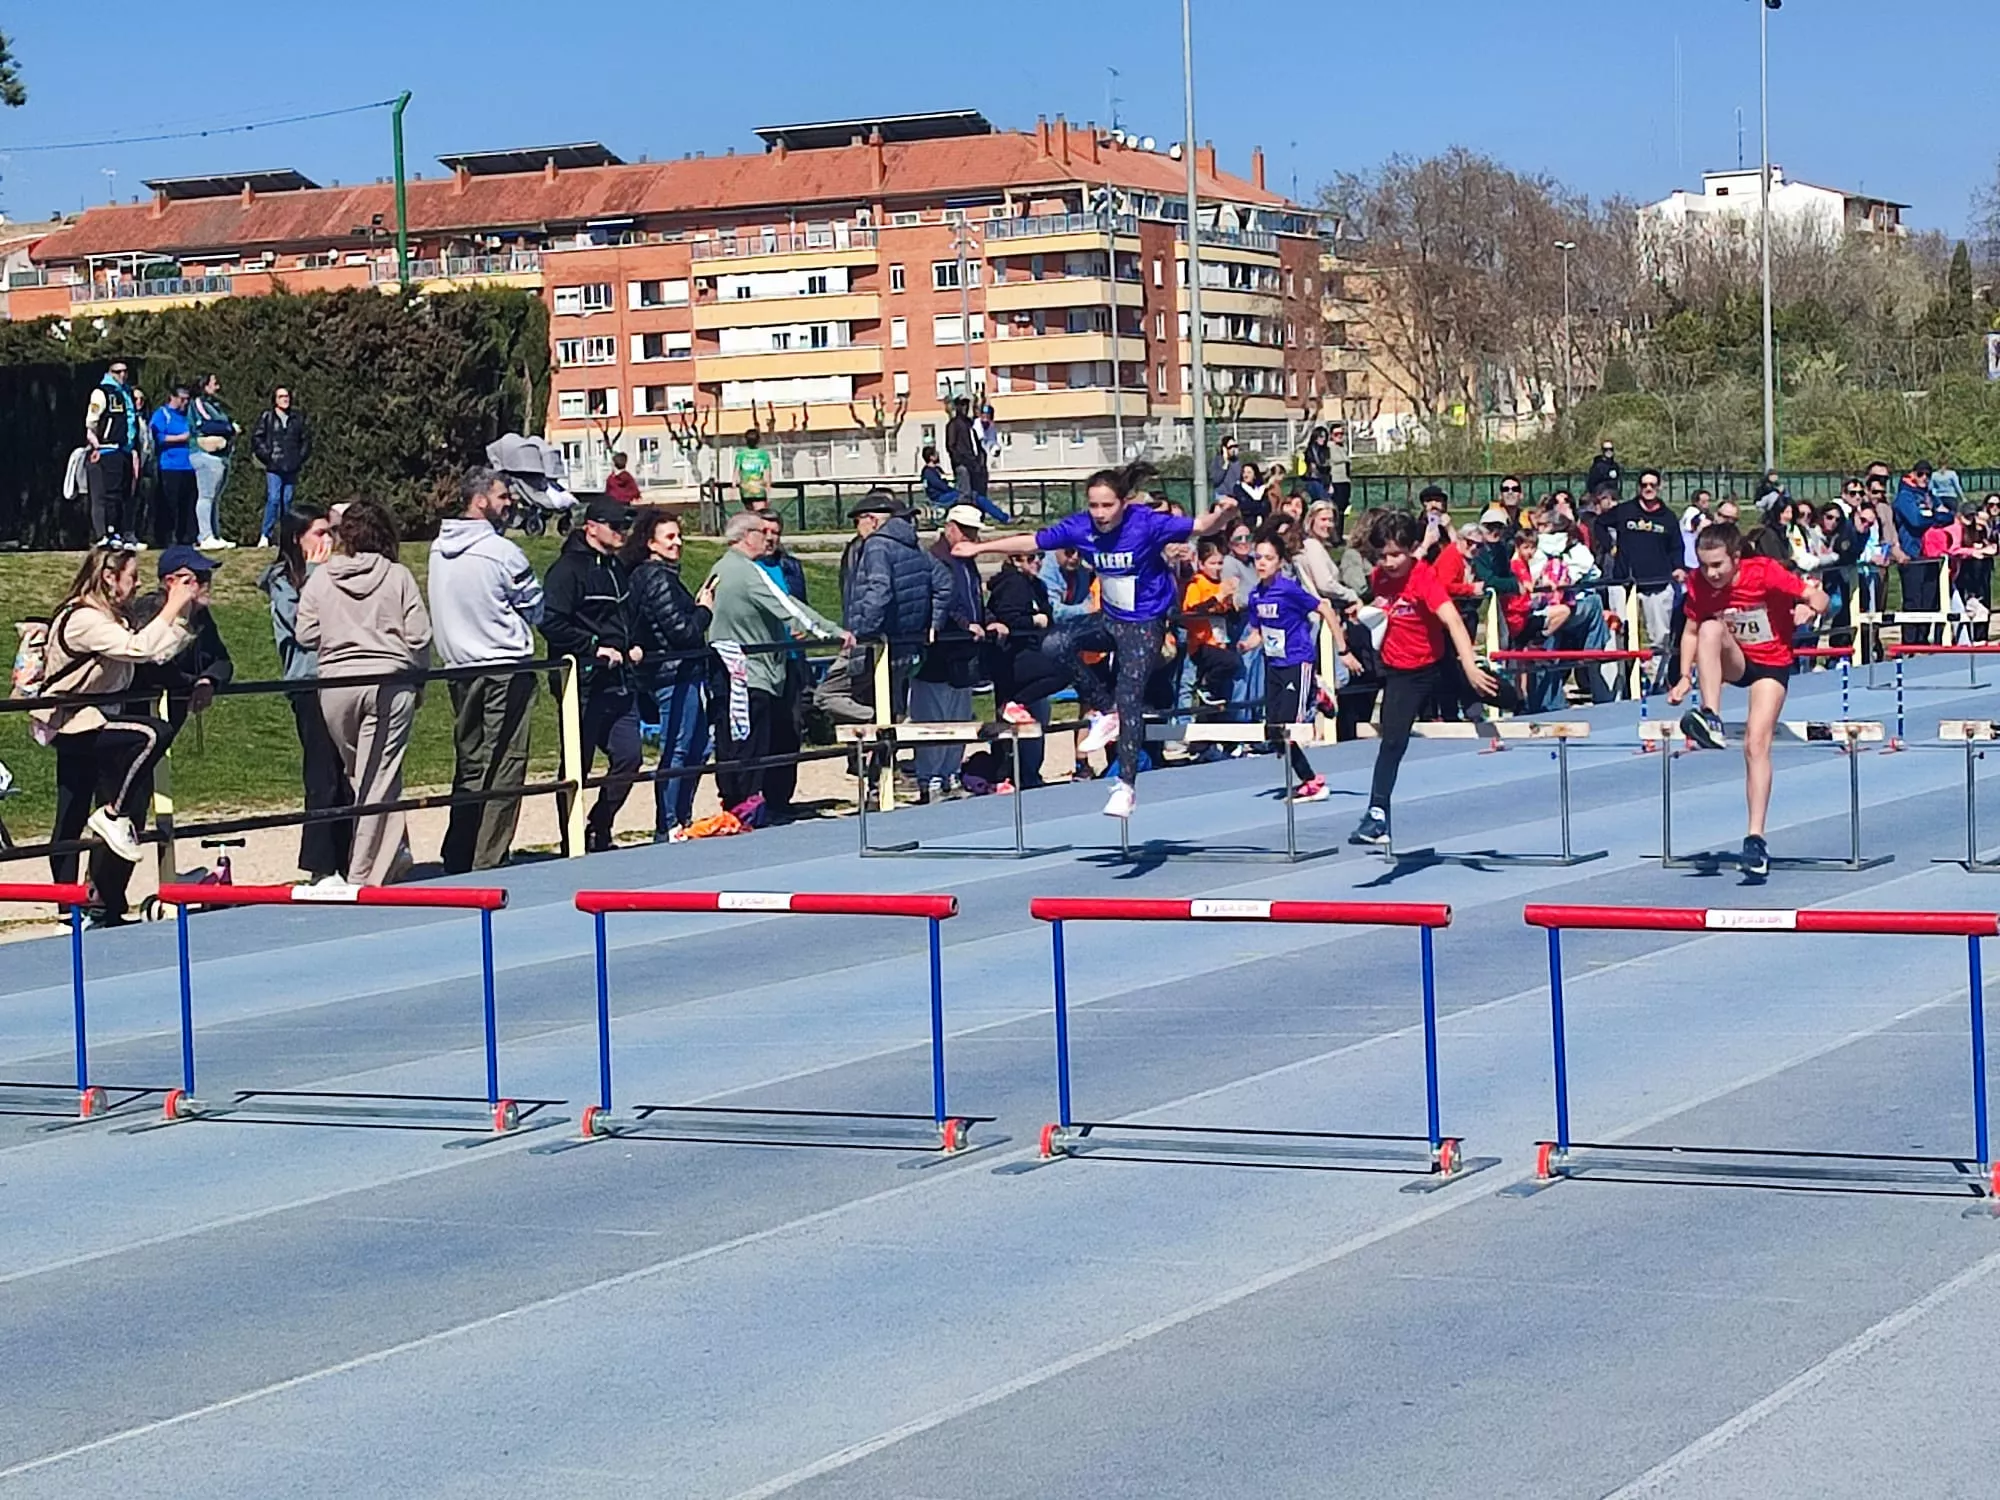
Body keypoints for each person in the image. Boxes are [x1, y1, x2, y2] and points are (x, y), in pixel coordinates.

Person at [953, 462, 1240, 818]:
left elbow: (1201, 527)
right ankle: (1105, 710)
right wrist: (979, 549)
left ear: (1123, 503)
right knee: (1054, 644)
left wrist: (1224, 514)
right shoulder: (1081, 527)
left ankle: (1126, 786)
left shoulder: (1146, 523)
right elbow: (1032, 540)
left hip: (1145, 624)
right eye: (1094, 506)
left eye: (1107, 506)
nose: (1100, 514)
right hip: (1111, 618)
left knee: (1130, 695)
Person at [33, 544, 199, 923]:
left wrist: (181, 614)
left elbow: (154, 654)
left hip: (96, 718)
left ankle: (84, 907)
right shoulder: (84, 618)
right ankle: (108, 822)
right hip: (74, 721)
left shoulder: (112, 616)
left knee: (73, 812)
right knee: (153, 735)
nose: (138, 584)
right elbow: (136, 649)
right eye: (132, 576)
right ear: (109, 577)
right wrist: (171, 605)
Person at [1669, 522, 1829, 878]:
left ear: (1736, 558)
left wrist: (1810, 608)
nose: (1711, 574)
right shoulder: (1698, 583)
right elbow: (1691, 632)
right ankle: (1710, 715)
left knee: (1756, 744)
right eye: (1704, 565)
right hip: (1736, 660)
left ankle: (1755, 838)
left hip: (1772, 664)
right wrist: (1683, 677)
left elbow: (1820, 597)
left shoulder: (1764, 572)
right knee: (1710, 628)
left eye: (1718, 565)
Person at [1348, 510, 1507, 847]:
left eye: (1395, 555)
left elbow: (1453, 620)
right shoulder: (1379, 578)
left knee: (1496, 692)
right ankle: (1377, 814)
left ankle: (1514, 699)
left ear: (1410, 550)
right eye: (1383, 556)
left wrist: (1470, 666)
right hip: (1402, 673)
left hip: (1439, 663)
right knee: (1392, 741)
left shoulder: (1424, 578)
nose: (1388, 562)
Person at [293, 500, 430, 886]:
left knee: (362, 774)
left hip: (337, 686)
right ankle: (364, 874)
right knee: (379, 777)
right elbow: (419, 635)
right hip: (388, 681)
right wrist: (418, 677)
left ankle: (391, 853)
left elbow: (305, 633)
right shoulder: (398, 576)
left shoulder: (322, 578)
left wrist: (339, 632)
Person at [429, 467, 545, 873]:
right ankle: (489, 858)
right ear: (480, 501)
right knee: (507, 763)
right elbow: (535, 606)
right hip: (504, 666)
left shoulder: (437, 548)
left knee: (471, 762)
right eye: (502, 496)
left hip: (459, 667)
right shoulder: (502, 551)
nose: (509, 502)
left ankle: (459, 852)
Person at [701, 511, 848, 825]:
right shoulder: (745, 572)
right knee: (751, 744)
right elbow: (788, 606)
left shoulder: (721, 568)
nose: (767, 538)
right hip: (749, 672)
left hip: (730, 670)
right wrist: (832, 632)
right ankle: (748, 809)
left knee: (735, 743)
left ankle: (737, 807)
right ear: (745, 536)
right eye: (761, 532)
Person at [539, 496, 643, 854]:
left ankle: (600, 824)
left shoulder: (616, 568)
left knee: (630, 756)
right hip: (581, 682)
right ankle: (571, 839)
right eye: (615, 526)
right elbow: (550, 621)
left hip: (618, 679)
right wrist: (592, 647)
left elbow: (624, 617)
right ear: (591, 527)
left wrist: (634, 643)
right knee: (576, 764)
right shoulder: (566, 570)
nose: (622, 532)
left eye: (625, 526)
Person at [259, 501, 353, 882]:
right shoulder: (283, 581)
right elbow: (305, 628)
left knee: (347, 774)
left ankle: (350, 858)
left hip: (342, 679)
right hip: (309, 683)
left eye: (330, 532)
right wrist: (316, 574)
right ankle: (320, 865)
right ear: (298, 539)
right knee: (322, 773)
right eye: (320, 533)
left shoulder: (335, 573)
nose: (328, 540)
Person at [1245, 533, 1357, 804]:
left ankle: (1311, 780)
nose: (1262, 563)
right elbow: (1258, 632)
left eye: (1268, 558)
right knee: (1274, 733)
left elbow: (1325, 609)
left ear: (1280, 562)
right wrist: (1245, 645)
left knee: (1289, 729)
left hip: (1297, 662)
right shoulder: (1255, 595)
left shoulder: (1289, 590)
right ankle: (1310, 780)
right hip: (1273, 664)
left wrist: (1343, 651)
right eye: (1258, 558)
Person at [621, 509, 712, 839]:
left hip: (681, 670)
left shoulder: (660, 576)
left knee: (699, 747)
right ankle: (669, 822)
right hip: (673, 673)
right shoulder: (656, 578)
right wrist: (704, 610)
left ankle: (680, 817)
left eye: (679, 536)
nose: (678, 542)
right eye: (669, 537)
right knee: (679, 747)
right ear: (651, 543)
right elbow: (681, 632)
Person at [821, 491, 942, 727]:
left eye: (858, 521)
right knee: (888, 699)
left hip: (874, 641)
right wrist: (932, 623)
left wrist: (863, 630)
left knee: (826, 695)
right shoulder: (913, 545)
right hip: (903, 643)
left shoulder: (876, 545)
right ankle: (887, 726)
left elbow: (880, 591)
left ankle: (879, 720)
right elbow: (943, 583)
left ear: (872, 520)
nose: (857, 529)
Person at [911, 504, 990, 798]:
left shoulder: (965, 562)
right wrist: (966, 624)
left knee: (959, 716)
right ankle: (930, 778)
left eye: (974, 532)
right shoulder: (935, 560)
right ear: (950, 528)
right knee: (932, 719)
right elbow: (939, 603)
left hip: (963, 652)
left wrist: (986, 620)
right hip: (938, 652)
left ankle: (951, 774)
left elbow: (973, 601)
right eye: (966, 531)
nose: (972, 537)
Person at [128, 545, 234, 731]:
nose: (206, 584)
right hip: (139, 711)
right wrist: (192, 682)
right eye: (199, 578)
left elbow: (221, 660)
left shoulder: (200, 615)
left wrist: (208, 680)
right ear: (171, 582)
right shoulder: (149, 610)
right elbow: (150, 665)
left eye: (208, 576)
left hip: (172, 710)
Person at [1603, 469, 1681, 684]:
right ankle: (1623, 682)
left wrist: (1678, 567)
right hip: (1624, 582)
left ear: (1659, 487)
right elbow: (1600, 523)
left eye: (1652, 485)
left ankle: (1658, 681)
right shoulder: (1625, 510)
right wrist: (1609, 546)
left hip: (1657, 582)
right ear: (1639, 487)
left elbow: (1676, 547)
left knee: (1660, 636)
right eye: (1644, 485)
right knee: (1619, 633)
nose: (1648, 489)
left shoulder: (1668, 517)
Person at [1892, 460, 1953, 645]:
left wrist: (1933, 515)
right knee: (1913, 601)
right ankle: (1910, 644)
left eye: (1928, 474)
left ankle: (1923, 640)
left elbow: (1949, 516)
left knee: (1930, 600)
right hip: (1912, 555)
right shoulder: (1904, 496)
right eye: (1920, 474)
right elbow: (1915, 521)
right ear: (1912, 474)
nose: (1924, 478)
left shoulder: (1929, 495)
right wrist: (1936, 516)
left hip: (1931, 555)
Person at [83, 360, 142, 548]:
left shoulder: (127, 393)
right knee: (111, 493)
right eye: (118, 372)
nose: (122, 375)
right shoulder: (102, 392)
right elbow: (91, 421)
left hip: (125, 449)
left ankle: (123, 532)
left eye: (125, 371)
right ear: (110, 373)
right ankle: (110, 531)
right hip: (109, 448)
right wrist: (97, 444)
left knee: (125, 493)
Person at [1180, 538, 1240, 711]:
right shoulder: (1197, 584)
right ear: (1201, 564)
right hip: (1200, 643)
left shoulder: (1222, 584)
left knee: (1229, 673)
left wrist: (1231, 602)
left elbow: (1232, 618)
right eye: (1212, 563)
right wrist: (1217, 598)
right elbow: (1191, 612)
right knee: (1232, 662)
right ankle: (1205, 684)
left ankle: (1212, 704)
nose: (1217, 568)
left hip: (1220, 640)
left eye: (1220, 563)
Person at [252, 387, 312, 547]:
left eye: (287, 396)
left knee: (287, 500)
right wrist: (267, 455)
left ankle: (286, 536)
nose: (285, 399)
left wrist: (299, 457)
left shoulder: (297, 418)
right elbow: (257, 438)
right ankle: (266, 534)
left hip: (291, 465)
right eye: (281, 396)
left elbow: (305, 440)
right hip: (274, 465)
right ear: (275, 400)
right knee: (273, 499)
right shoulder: (267, 417)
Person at [188, 374, 236, 550]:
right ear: (204, 385)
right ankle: (205, 536)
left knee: (214, 498)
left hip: (220, 455)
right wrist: (229, 428)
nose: (217, 387)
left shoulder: (214, 405)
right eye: (214, 383)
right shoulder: (198, 403)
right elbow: (205, 424)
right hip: (205, 454)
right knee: (206, 496)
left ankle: (215, 534)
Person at [148, 385, 198, 548]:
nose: (185, 403)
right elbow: (159, 437)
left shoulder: (188, 416)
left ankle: (186, 537)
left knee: (187, 504)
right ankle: (165, 538)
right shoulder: (162, 414)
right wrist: (182, 438)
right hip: (169, 466)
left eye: (187, 399)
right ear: (173, 398)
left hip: (189, 466)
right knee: (169, 504)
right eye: (182, 399)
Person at [734, 428, 773, 511]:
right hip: (759, 491)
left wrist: (734, 485)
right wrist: (769, 493)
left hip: (746, 491)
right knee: (760, 514)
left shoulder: (741, 455)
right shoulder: (764, 454)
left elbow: (736, 473)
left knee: (750, 515)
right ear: (758, 440)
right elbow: (767, 475)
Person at [1207, 435, 1244, 503]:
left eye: (1235, 446)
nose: (1233, 449)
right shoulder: (1217, 461)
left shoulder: (1238, 462)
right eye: (1230, 447)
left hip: (1237, 496)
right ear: (1224, 449)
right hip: (1222, 496)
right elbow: (1215, 480)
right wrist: (1225, 464)